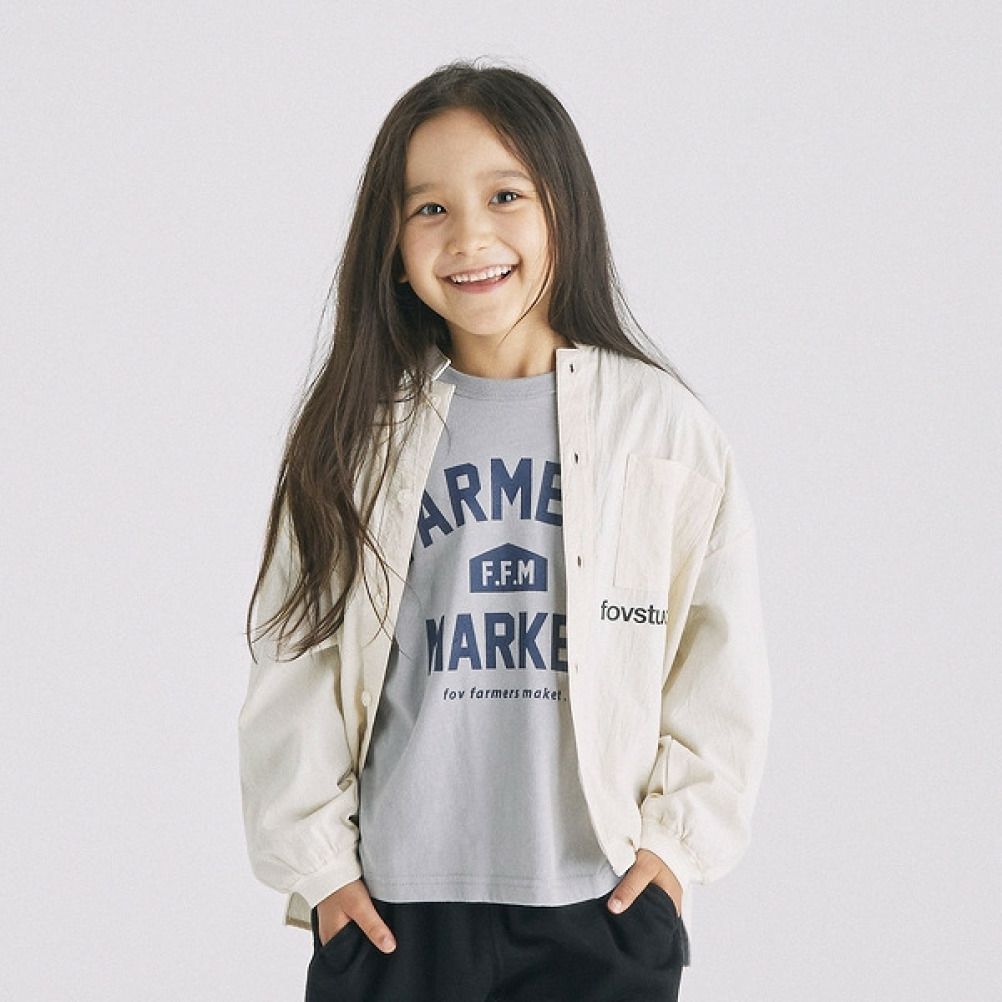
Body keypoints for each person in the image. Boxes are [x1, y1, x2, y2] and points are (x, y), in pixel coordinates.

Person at [238, 57, 771, 1002]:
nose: (470, 236)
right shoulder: (355, 433)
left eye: (505, 195)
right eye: (430, 208)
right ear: (391, 243)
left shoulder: (660, 430)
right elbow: (296, 661)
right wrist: (320, 870)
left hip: (599, 899)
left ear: (564, 206)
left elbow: (717, 657)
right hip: (395, 909)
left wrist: (676, 851)